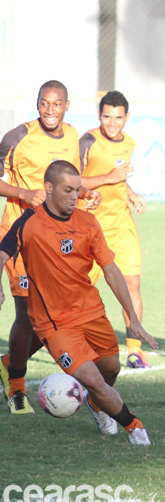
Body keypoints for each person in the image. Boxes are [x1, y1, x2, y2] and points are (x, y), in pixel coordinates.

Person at [0, 161, 156, 444]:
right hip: (54, 323)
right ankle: (135, 427)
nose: (75, 196)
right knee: (93, 380)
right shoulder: (30, 222)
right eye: (68, 190)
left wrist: (132, 318)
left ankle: (97, 404)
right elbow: (2, 252)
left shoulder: (87, 223)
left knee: (111, 369)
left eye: (77, 189)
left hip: (91, 312)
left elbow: (110, 270)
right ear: (49, 188)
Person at [0, 80, 100, 414]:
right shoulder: (18, 137)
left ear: (66, 106)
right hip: (22, 235)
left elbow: (70, 178)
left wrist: (85, 193)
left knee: (53, 322)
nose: (50, 110)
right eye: (44, 103)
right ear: (38, 104)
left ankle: (7, 363)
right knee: (27, 316)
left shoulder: (72, 136)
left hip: (55, 241)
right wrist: (22, 193)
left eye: (57, 104)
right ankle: (16, 388)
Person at [80, 90, 150, 369]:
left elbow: (118, 179)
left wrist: (130, 193)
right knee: (83, 290)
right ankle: (75, 345)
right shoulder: (87, 141)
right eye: (107, 117)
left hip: (122, 226)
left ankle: (135, 350)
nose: (112, 123)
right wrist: (108, 178)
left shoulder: (129, 142)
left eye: (118, 118)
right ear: (99, 115)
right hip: (92, 228)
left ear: (127, 117)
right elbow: (72, 178)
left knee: (132, 283)